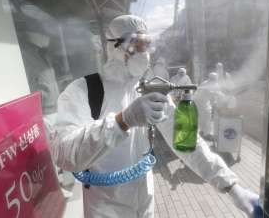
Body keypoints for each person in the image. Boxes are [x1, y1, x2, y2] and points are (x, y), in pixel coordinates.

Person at [50, 15, 258, 218]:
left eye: (146, 45)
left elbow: (186, 142)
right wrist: (123, 120)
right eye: (136, 45)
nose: (144, 53)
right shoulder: (84, 90)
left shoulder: (147, 88)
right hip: (105, 206)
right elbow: (65, 154)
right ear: (114, 46)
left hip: (145, 203)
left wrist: (231, 186)